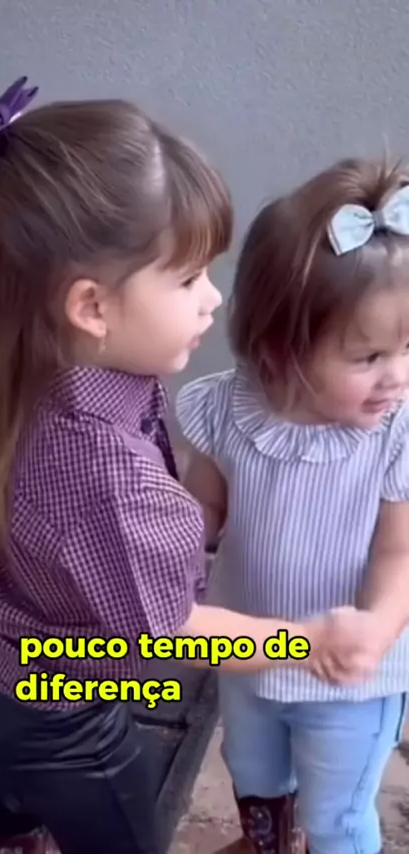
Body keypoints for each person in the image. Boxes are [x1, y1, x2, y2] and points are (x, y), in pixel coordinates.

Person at [0, 79, 369, 854]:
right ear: (92, 307)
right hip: (63, 708)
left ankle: (10, 832)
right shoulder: (108, 479)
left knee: (21, 778)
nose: (213, 302)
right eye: (189, 278)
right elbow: (173, 633)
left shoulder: (20, 364)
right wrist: (303, 641)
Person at [175, 156, 409, 854]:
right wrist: (163, 553)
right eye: (368, 357)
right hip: (250, 647)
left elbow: (400, 550)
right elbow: (204, 507)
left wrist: (377, 627)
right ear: (279, 344)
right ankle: (269, 841)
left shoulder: (397, 432)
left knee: (337, 814)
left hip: (352, 678)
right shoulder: (228, 407)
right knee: (253, 773)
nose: (397, 376)